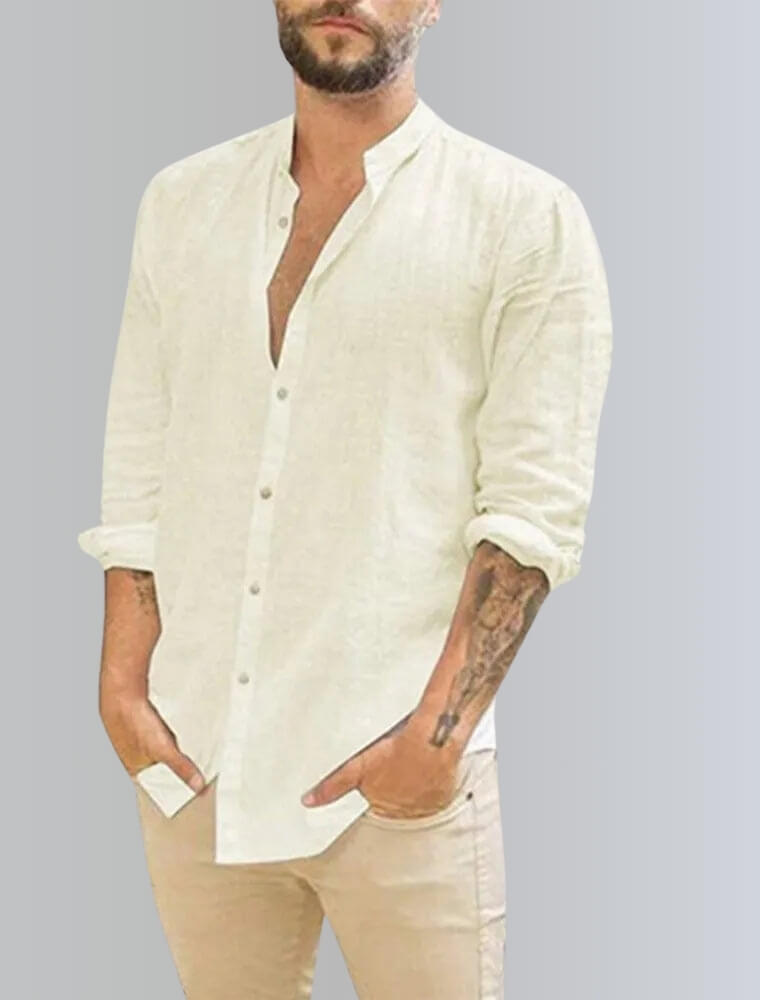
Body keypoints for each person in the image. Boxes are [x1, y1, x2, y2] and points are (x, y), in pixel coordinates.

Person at [76, 1, 613, 996]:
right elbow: (140, 457)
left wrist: (435, 740)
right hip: (198, 761)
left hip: (398, 773)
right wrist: (122, 685)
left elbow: (533, 509)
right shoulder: (182, 201)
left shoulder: (522, 217)